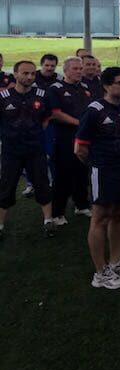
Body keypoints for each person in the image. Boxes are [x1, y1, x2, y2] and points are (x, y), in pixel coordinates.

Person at [75, 67, 120, 289]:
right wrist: (97, 166)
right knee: (100, 218)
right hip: (103, 170)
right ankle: (100, 272)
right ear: (106, 86)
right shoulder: (93, 110)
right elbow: (80, 149)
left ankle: (115, 262)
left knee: (119, 216)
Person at [0, 60, 55, 239]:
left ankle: (48, 221)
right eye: (25, 73)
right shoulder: (4, 96)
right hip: (11, 150)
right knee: (6, 187)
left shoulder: (42, 95)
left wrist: (36, 134)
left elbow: (47, 118)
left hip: (35, 149)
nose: (29, 77)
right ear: (15, 74)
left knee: (42, 184)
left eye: (32, 73)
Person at [48, 56, 93, 225]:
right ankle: (57, 212)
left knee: (82, 171)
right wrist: (80, 123)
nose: (79, 72)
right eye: (75, 69)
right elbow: (56, 113)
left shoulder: (85, 87)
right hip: (65, 138)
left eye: (80, 69)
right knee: (64, 175)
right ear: (65, 70)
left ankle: (81, 205)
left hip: (83, 137)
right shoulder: (56, 89)